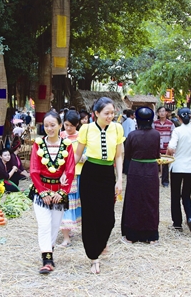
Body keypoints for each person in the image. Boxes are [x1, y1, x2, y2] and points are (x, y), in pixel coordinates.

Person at [74, 97, 125, 274]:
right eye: (106, 113)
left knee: (108, 219)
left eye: (112, 113)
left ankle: (100, 245)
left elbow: (119, 156)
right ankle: (93, 257)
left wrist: (119, 179)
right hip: (89, 174)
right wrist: (66, 175)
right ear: (96, 113)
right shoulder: (86, 129)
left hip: (107, 175)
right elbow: (77, 154)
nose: (110, 116)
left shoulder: (117, 129)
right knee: (89, 216)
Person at [29, 111, 75, 274]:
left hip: (59, 193)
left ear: (60, 126)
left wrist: (62, 192)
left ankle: (49, 251)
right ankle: (47, 260)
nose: (49, 128)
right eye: (46, 125)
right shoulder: (38, 144)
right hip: (41, 193)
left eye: (53, 125)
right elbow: (34, 171)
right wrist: (43, 192)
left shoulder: (67, 145)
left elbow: (70, 171)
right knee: (44, 225)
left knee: (55, 225)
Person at [121, 107, 161, 244]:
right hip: (151, 170)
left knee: (134, 200)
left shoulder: (132, 135)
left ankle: (131, 235)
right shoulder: (156, 134)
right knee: (151, 201)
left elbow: (128, 155)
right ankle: (151, 236)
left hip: (136, 169)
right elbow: (157, 154)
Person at [167, 107, 191, 232]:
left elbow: (171, 147)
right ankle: (190, 217)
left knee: (175, 195)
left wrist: (169, 154)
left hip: (177, 166)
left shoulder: (177, 131)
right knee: (186, 195)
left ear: (179, 118)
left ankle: (177, 223)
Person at [59, 110, 83, 247]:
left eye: (72, 126)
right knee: (65, 204)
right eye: (66, 125)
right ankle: (66, 237)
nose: (68, 128)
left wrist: (76, 159)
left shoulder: (81, 137)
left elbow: (86, 156)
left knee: (75, 204)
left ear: (77, 124)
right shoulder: (60, 136)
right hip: (64, 176)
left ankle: (69, 230)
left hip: (78, 174)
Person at [153, 106, 176, 188]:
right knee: (155, 165)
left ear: (166, 113)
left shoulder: (170, 124)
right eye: (160, 111)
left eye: (163, 111)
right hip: (156, 147)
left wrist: (172, 147)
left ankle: (165, 182)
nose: (162, 113)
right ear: (158, 113)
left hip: (166, 147)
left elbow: (173, 136)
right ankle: (154, 182)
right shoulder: (155, 123)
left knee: (165, 165)